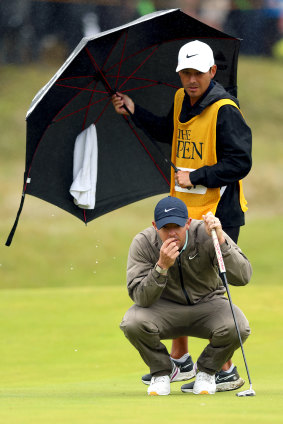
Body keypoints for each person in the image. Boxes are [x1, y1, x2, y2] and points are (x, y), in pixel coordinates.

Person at [112, 40, 252, 392]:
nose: (191, 80)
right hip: (184, 210)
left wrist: (198, 175)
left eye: (197, 73)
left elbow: (241, 162)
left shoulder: (224, 110)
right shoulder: (180, 99)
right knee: (175, 279)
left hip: (219, 213)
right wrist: (134, 111)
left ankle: (224, 368)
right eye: (185, 73)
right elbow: (169, 132)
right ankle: (181, 361)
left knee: (207, 288)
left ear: (212, 72)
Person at [120, 196, 252, 396]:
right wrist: (161, 268)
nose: (172, 233)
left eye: (178, 227)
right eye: (166, 228)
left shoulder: (208, 233)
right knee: (132, 322)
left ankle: (207, 371)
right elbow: (140, 297)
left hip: (208, 304)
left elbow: (243, 276)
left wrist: (221, 242)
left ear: (188, 223)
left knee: (239, 326)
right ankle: (162, 372)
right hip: (164, 309)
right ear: (155, 226)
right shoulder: (143, 242)